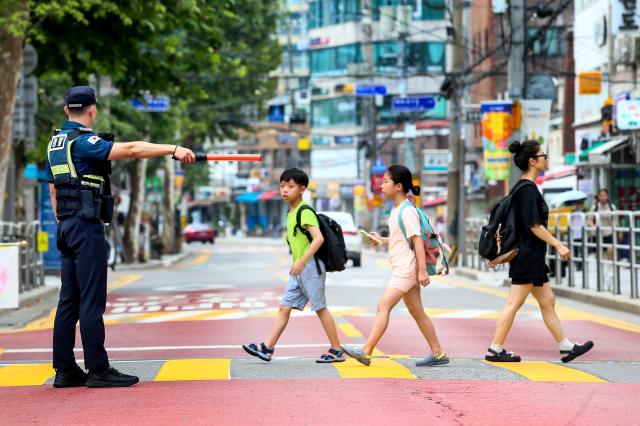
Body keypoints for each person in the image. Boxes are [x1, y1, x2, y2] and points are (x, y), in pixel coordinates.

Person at [46, 86, 196, 388]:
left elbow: (53, 188)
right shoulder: (85, 141)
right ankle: (98, 369)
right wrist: (172, 149)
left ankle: (64, 370)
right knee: (91, 301)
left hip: (65, 226)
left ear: (66, 110)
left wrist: (63, 221)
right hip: (86, 228)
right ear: (93, 109)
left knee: (68, 301)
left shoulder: (55, 144)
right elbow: (130, 150)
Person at [485, 140, 593, 363]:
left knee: (548, 301)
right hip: (527, 255)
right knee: (514, 303)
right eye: (544, 156)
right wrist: (559, 245)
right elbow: (534, 225)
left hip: (531, 255)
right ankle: (495, 349)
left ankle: (566, 347)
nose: (547, 159)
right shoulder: (528, 190)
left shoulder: (521, 187)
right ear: (533, 161)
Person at [342, 165, 448, 367]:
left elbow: (417, 240)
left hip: (406, 269)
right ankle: (438, 353)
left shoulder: (407, 211)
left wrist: (422, 271)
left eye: (385, 182)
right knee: (417, 312)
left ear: (398, 186)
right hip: (405, 267)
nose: (381, 186)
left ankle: (366, 351)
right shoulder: (398, 209)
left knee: (383, 307)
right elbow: (402, 238)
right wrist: (382, 240)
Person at [242, 168, 345, 363]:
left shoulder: (304, 211)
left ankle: (337, 350)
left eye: (290, 186)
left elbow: (318, 239)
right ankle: (267, 348)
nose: (285, 190)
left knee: (320, 308)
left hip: (310, 268)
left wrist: (301, 261)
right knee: (284, 307)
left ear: (302, 189)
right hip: (298, 269)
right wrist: (297, 264)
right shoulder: (291, 212)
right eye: (282, 186)